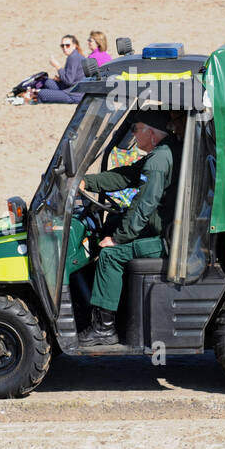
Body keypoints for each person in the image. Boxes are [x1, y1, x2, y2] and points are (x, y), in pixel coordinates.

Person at [76, 110, 179, 346]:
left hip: (166, 239)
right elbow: (127, 176)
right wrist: (87, 182)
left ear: (150, 133)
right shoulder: (165, 150)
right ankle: (111, 303)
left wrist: (119, 239)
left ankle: (104, 328)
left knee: (110, 255)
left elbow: (144, 204)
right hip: (168, 229)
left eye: (135, 129)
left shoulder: (158, 161)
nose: (133, 136)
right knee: (110, 224)